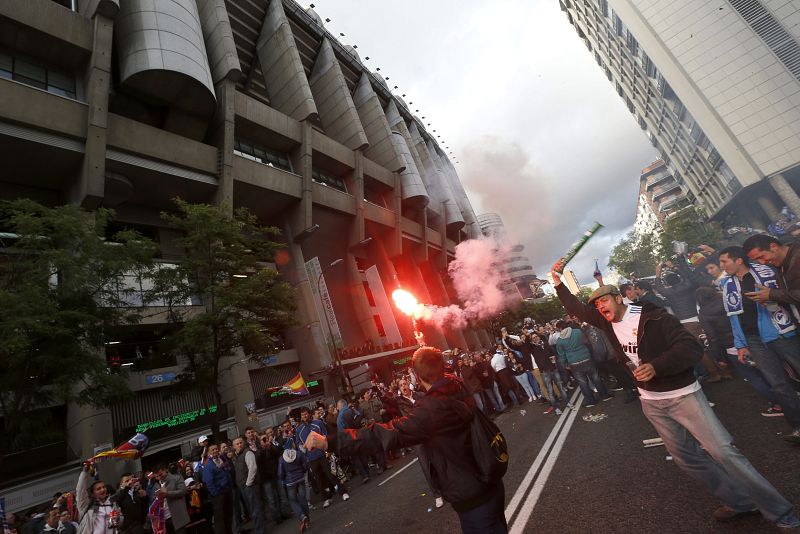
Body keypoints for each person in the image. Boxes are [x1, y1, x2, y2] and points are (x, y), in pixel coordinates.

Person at [552, 261, 800, 528]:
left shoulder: (654, 316)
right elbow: (576, 307)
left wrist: (656, 366)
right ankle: (740, 502)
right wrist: (557, 282)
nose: (600, 308)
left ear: (618, 299)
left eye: (604, 302)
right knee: (688, 459)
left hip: (684, 396)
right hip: (652, 403)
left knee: (725, 454)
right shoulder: (604, 320)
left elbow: (690, 347)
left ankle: (783, 516)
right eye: (596, 305)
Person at [307, 346, 507, 534]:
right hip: (491, 482)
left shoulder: (430, 411)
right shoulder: (457, 385)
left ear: (416, 376)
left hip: (472, 496)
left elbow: (384, 434)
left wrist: (330, 441)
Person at [718, 246, 800, 443]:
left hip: (780, 330)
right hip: (754, 339)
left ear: (738, 261)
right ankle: (797, 426)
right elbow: (734, 317)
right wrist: (741, 345)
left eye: (724, 261)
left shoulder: (766, 273)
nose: (722, 266)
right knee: (778, 384)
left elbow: (787, 296)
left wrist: (772, 297)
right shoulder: (727, 285)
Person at [294, 407, 350, 507]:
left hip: (323, 455)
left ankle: (343, 492)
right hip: (311, 459)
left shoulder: (318, 423)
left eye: (306, 414)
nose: (305, 416)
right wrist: (305, 453)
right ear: (301, 417)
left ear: (309, 414)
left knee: (331, 474)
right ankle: (327, 498)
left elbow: (326, 437)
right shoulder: (299, 430)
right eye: (302, 415)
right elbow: (298, 445)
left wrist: (328, 451)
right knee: (319, 480)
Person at [554, 320, 613, 408]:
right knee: (595, 378)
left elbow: (561, 356)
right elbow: (586, 342)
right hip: (586, 358)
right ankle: (605, 395)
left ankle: (591, 400)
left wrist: (565, 365)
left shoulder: (559, 341)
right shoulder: (577, 332)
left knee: (583, 383)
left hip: (574, 363)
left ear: (559, 328)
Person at [743, 234, 800, 311]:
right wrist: (770, 298)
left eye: (761, 257)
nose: (762, 262)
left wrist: (772, 294)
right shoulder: (780, 265)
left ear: (773, 247)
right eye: (757, 260)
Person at [231, 437, 264, 534]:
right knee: (252, 510)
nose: (239, 445)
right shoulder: (238, 455)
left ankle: (260, 531)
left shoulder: (247, 453)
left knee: (255, 510)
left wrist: (248, 483)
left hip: (249, 486)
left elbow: (253, 468)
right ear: (234, 447)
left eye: (241, 442)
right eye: (237, 444)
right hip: (244, 487)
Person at [200, 445, 233, 534]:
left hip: (227, 491)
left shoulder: (222, 459)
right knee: (220, 520)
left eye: (216, 449)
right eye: (212, 449)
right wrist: (216, 494)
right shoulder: (208, 465)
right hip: (219, 495)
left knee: (228, 516)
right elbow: (209, 482)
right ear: (209, 453)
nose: (215, 450)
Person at [76, 464, 117, 534]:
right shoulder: (86, 506)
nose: (102, 490)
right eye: (98, 489)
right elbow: (80, 490)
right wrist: (84, 472)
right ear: (92, 493)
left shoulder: (112, 504)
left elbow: (119, 523)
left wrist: (118, 518)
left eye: (104, 487)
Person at [278, 446, 310, 532]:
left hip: (290, 482)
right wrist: (302, 471)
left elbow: (280, 473)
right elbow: (306, 464)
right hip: (300, 478)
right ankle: (307, 520)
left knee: (292, 500)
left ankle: (302, 516)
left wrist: (283, 479)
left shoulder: (281, 459)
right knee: (303, 498)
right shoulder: (298, 454)